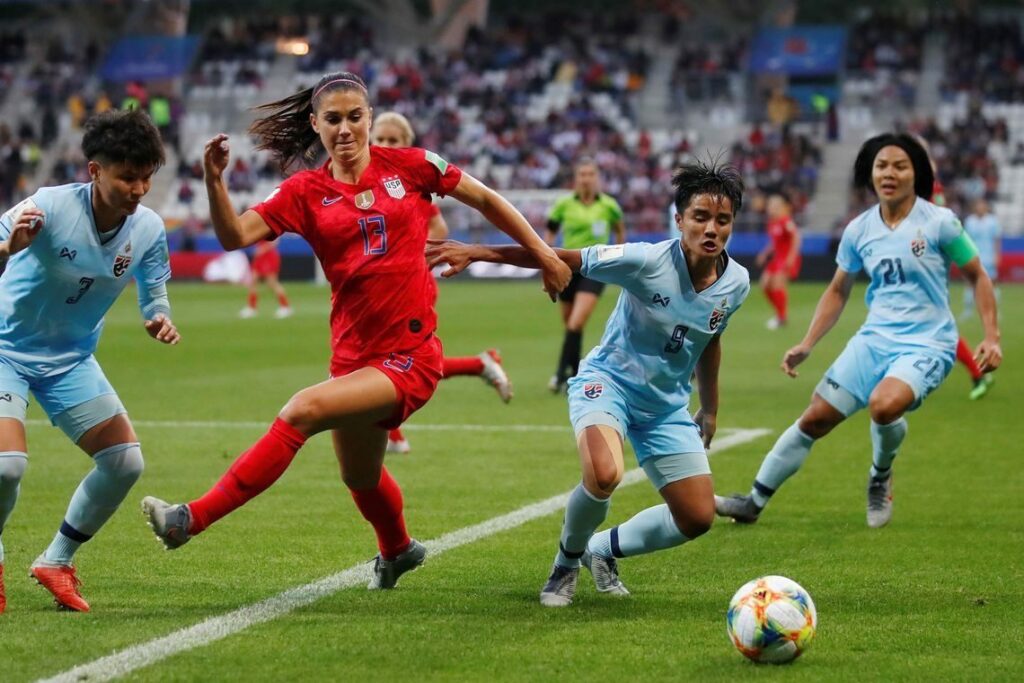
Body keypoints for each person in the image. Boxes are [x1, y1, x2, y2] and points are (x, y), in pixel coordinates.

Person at [141, 72, 570, 590]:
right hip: (353, 356)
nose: (346, 129)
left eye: (355, 117)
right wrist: (215, 182)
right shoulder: (304, 192)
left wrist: (544, 256)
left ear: (369, 118)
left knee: (302, 410)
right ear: (315, 125)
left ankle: (190, 520)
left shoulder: (412, 166)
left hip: (411, 356)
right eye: (334, 119)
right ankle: (397, 550)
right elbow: (234, 236)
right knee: (360, 478)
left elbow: (487, 200)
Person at [426, 160, 750, 607]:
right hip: (608, 384)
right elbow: (559, 257)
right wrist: (478, 251)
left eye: (722, 219)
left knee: (696, 517)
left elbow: (710, 341)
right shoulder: (645, 260)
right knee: (604, 475)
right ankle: (564, 564)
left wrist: (710, 409)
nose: (711, 228)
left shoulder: (737, 283)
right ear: (679, 220)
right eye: (700, 217)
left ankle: (602, 549)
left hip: (665, 407)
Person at [716, 133, 1001, 530]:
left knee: (884, 405)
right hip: (874, 339)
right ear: (870, 173)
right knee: (814, 418)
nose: (890, 173)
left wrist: (991, 336)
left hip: (928, 342)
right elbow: (838, 290)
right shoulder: (859, 230)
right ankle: (753, 501)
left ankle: (880, 477)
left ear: (916, 173)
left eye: (900, 165)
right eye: (882, 165)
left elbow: (978, 275)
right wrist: (807, 343)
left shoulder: (940, 223)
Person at [0, 109, 178, 613]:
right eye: (127, 176)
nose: (139, 188)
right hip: (4, 349)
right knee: (6, 467)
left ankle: (56, 560)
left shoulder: (147, 228)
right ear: (95, 171)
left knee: (124, 462)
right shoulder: (48, 206)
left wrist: (158, 316)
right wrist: (9, 249)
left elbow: (155, 286)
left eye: (147, 177)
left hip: (69, 359)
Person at [370, 112, 512, 454]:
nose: (386, 146)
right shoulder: (366, 182)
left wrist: (408, 257)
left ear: (407, 146)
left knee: (390, 361)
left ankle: (393, 434)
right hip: (380, 285)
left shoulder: (407, 183)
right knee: (382, 361)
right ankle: (478, 365)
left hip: (408, 283)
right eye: (381, 139)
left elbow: (439, 230)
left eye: (394, 141)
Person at [546, 158, 626, 393]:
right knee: (571, 325)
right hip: (566, 267)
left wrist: (619, 259)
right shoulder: (563, 204)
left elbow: (620, 231)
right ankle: (576, 374)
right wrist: (546, 257)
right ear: (576, 178)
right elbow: (550, 232)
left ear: (597, 177)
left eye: (590, 174)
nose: (586, 178)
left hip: (595, 268)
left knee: (576, 321)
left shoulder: (609, 206)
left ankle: (560, 375)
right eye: (582, 174)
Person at [755, 192, 801, 329]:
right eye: (770, 205)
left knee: (777, 286)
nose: (771, 208)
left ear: (781, 207)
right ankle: (780, 314)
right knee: (764, 286)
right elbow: (774, 243)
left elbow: (796, 238)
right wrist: (764, 254)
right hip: (777, 258)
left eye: (774, 205)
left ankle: (781, 318)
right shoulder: (771, 222)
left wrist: (791, 257)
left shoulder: (786, 221)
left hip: (785, 258)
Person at [238, 240, 292, 319]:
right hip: (260, 257)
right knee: (253, 281)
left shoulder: (270, 228)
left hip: (269, 256)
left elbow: (275, 242)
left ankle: (285, 307)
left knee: (272, 283)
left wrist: (262, 249)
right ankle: (252, 308)